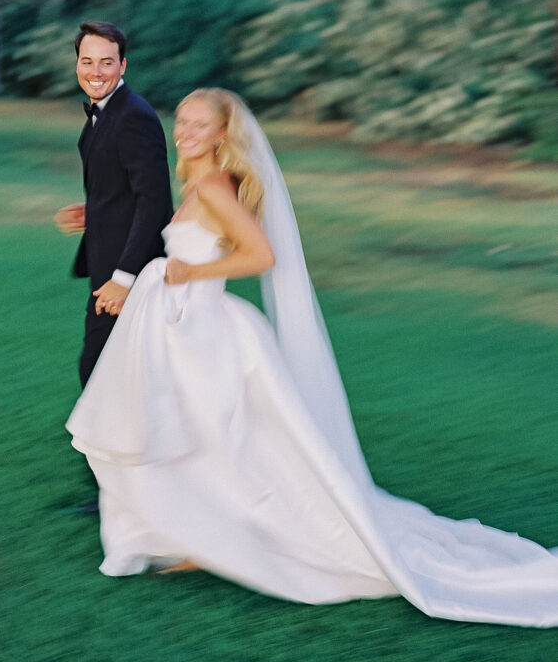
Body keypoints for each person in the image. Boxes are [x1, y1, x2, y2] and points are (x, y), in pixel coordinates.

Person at [67, 88, 558, 627]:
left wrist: (188, 272)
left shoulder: (211, 184)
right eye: (181, 120)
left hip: (204, 330)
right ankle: (201, 534)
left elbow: (261, 255)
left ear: (222, 134)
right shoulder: (197, 181)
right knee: (202, 437)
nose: (184, 131)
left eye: (199, 124)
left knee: (213, 437)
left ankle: (224, 537)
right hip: (183, 327)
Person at [56, 21, 174, 506]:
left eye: (107, 62)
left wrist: (125, 280)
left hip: (130, 276)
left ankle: (125, 491)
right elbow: (126, 189)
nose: (96, 71)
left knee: (105, 374)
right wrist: (96, 210)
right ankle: (117, 487)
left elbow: (155, 203)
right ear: (77, 64)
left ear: (122, 65)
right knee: (107, 376)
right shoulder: (105, 112)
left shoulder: (133, 116)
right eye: (88, 61)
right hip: (110, 264)